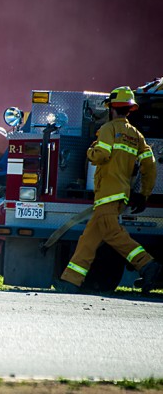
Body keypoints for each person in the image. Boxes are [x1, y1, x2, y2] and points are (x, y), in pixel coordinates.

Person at [59, 86, 160, 293]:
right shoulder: (137, 135)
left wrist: (90, 151)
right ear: (129, 110)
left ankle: (148, 265)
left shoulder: (108, 129)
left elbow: (102, 155)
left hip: (107, 193)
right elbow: (150, 164)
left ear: (112, 108)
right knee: (89, 239)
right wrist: (144, 194)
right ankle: (70, 281)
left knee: (113, 233)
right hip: (121, 194)